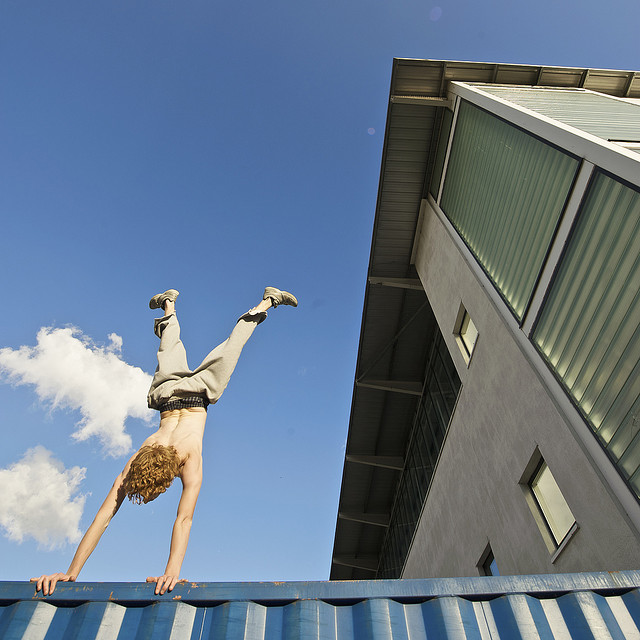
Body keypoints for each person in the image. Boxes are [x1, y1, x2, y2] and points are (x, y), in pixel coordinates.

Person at [31, 286, 297, 596]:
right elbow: (106, 517)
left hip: (200, 393)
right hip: (167, 394)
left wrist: (169, 574)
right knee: (172, 344)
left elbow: (181, 519)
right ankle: (169, 304)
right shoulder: (142, 454)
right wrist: (70, 573)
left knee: (233, 345)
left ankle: (268, 300)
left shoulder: (187, 460)